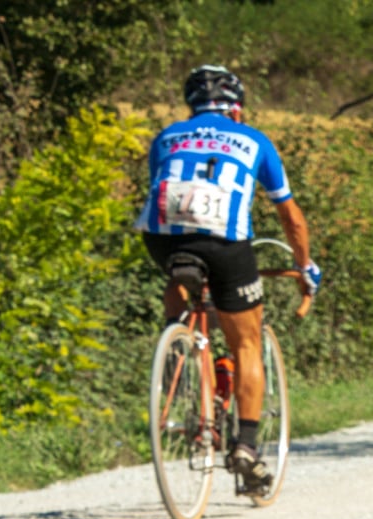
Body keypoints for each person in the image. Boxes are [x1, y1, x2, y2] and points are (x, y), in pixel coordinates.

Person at [136, 65, 320, 494]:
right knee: (247, 342)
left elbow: (163, 194)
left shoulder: (166, 137)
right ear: (237, 110)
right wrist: (305, 266)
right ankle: (247, 447)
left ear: (192, 107)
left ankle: (177, 345)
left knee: (182, 269)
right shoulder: (254, 139)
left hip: (162, 238)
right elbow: (290, 216)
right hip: (225, 243)